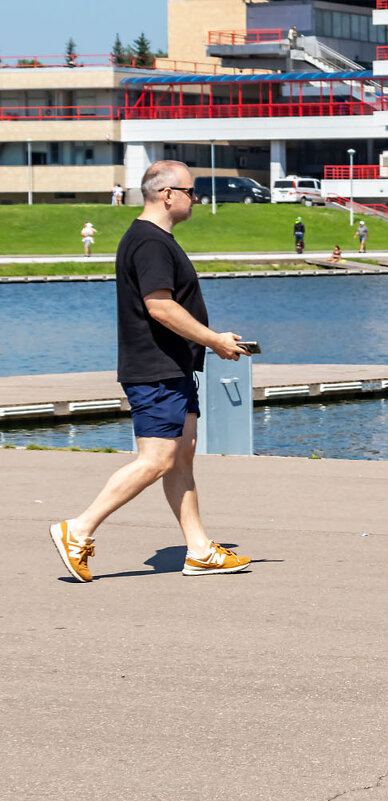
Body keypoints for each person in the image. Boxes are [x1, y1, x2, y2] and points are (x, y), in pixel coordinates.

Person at [49, 160, 252, 583]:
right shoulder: (150, 242)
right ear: (168, 194)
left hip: (172, 367)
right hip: (155, 369)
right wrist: (213, 339)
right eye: (192, 192)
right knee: (157, 459)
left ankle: (198, 550)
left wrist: (208, 340)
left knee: (181, 456)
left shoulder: (152, 239)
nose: (195, 199)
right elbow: (159, 306)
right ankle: (79, 528)